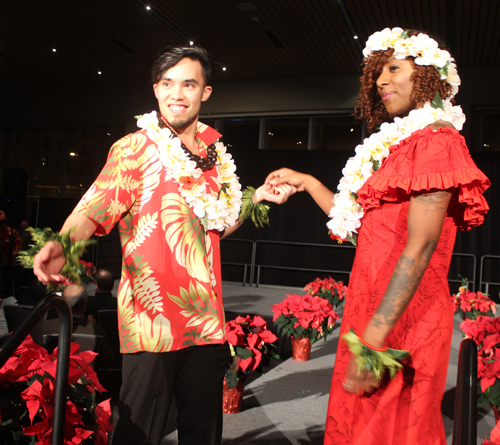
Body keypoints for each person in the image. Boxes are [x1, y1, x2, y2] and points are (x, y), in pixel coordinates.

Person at [32, 45, 293, 445]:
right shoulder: (134, 149)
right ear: (155, 90)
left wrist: (255, 200)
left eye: (189, 84)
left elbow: (217, 227)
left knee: (203, 432)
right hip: (152, 321)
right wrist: (63, 245)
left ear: (205, 92)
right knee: (140, 431)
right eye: (168, 83)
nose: (177, 93)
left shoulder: (214, 158)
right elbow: (93, 207)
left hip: (205, 321)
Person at [266, 27, 489, 444]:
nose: (380, 81)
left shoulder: (437, 143)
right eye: (376, 73)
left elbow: (420, 248)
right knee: (356, 425)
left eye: (393, 68)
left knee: (386, 432)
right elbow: (363, 227)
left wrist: (372, 342)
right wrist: (310, 183)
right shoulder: (402, 145)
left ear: (425, 75)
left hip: (404, 320)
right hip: (371, 309)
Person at [42, 284, 114, 369]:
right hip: (86, 380)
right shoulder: (96, 331)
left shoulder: (46, 327)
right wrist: (93, 327)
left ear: (61, 303)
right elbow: (107, 362)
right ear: (84, 304)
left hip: (52, 379)